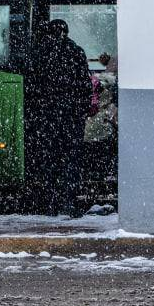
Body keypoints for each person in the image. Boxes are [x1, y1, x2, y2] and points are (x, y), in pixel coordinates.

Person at [23, 18, 93, 217]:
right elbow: (85, 85)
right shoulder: (75, 52)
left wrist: (38, 112)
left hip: (47, 117)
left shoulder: (40, 53)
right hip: (71, 117)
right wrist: (80, 111)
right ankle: (69, 201)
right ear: (67, 32)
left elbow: (31, 86)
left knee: (50, 159)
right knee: (71, 160)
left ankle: (50, 203)